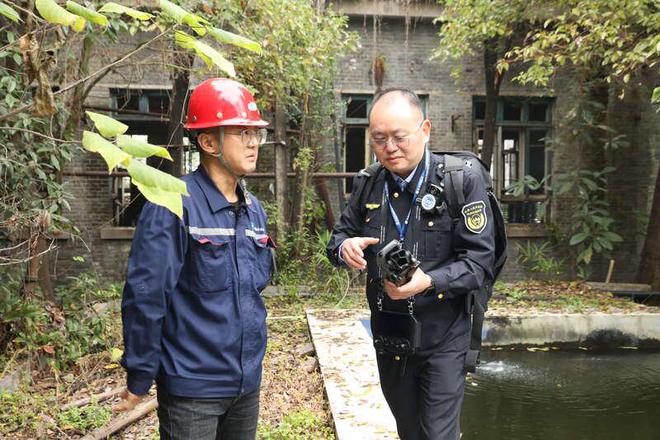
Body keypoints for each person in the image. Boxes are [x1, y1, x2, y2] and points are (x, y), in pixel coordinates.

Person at [326, 88, 496, 440]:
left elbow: (479, 263)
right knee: (408, 431)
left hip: (444, 332)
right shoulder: (368, 183)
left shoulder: (460, 180)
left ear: (425, 130)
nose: (390, 147)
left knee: (438, 433)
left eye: (399, 137)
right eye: (379, 139)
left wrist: (428, 281)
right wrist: (346, 248)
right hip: (391, 333)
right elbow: (337, 240)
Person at [114, 78, 274, 440]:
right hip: (192, 390)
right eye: (240, 132)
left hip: (246, 385)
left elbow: (251, 294)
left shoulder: (253, 210)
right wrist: (140, 374)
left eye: (256, 133)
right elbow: (146, 294)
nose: (253, 142)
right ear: (208, 141)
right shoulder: (173, 204)